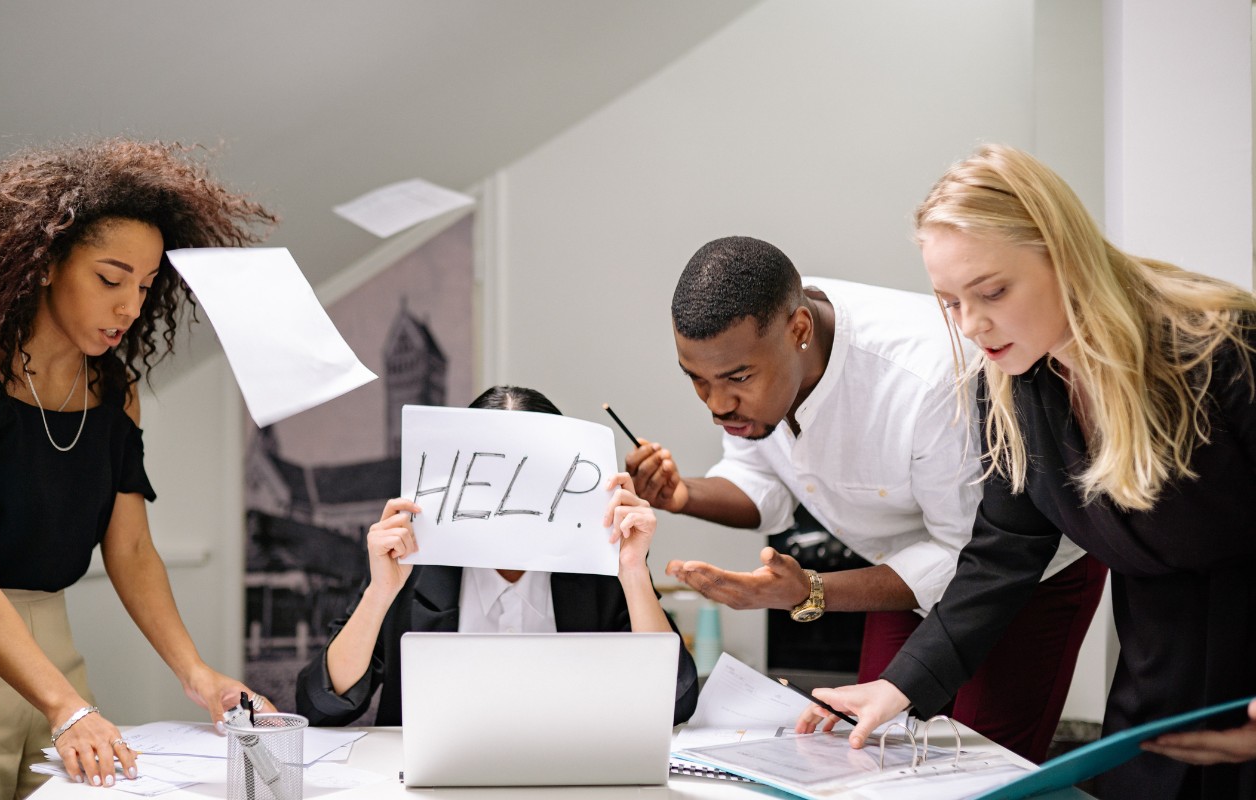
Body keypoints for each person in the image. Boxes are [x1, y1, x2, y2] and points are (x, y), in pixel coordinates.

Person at [799, 144, 1256, 799]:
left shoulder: (1220, 348)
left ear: (1062, 254)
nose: (973, 325)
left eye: (992, 291)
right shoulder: (1020, 379)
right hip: (1160, 703)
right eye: (950, 302)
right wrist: (901, 684)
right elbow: (1005, 550)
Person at [0, 138, 277, 798]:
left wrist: (198, 674)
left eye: (145, 287)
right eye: (111, 280)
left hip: (53, 647)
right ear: (46, 263)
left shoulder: (115, 393)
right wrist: (68, 708)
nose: (131, 309)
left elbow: (132, 549)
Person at [626, 235, 1107, 763]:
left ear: (799, 331)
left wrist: (810, 592)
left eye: (737, 379)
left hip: (1025, 576)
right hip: (896, 568)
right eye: (697, 380)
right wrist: (682, 494)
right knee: (863, 751)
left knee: (984, 767)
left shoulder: (926, 377)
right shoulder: (754, 336)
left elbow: (973, 558)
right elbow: (761, 483)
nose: (717, 404)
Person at [296, 386, 699, 727]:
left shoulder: (599, 568)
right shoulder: (413, 566)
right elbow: (322, 704)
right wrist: (379, 593)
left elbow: (674, 702)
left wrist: (632, 573)